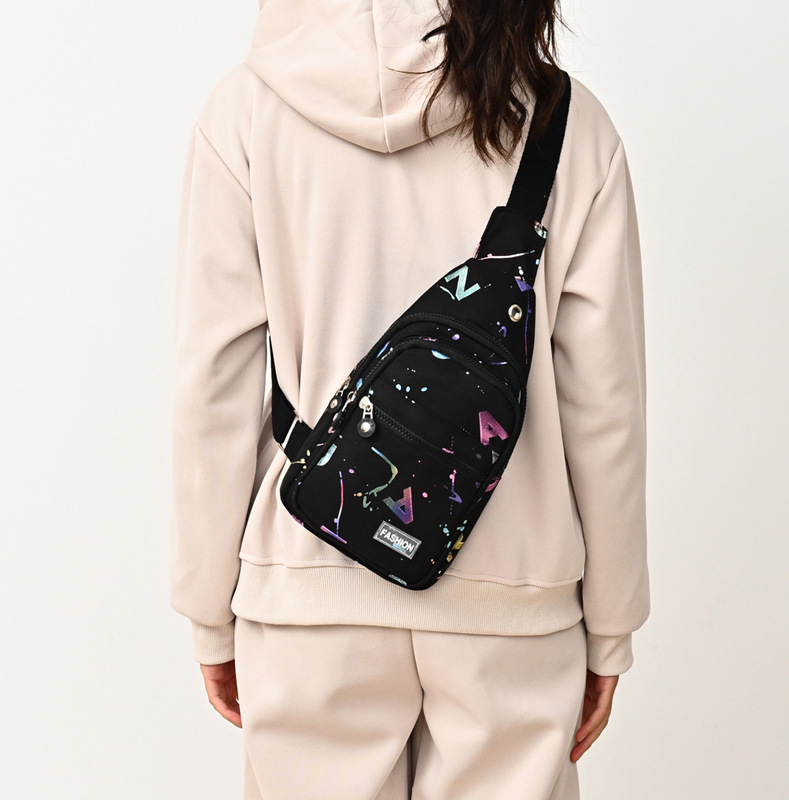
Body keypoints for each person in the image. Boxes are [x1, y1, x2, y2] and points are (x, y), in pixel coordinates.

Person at [170, 1, 650, 797]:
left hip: (307, 584)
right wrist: (611, 625)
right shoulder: (570, 123)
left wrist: (209, 608)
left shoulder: (247, 110)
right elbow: (606, 408)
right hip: (514, 599)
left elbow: (213, 384)